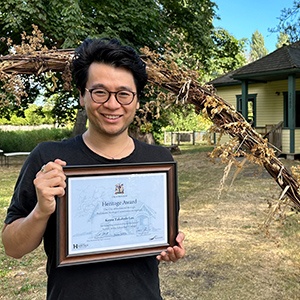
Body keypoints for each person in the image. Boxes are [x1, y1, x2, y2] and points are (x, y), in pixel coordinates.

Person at [2, 38, 185, 299]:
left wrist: (168, 248)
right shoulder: (49, 158)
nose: (112, 104)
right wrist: (42, 211)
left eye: (124, 94)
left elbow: (160, 235)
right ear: (81, 95)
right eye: (100, 92)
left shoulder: (159, 162)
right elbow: (12, 247)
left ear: (136, 100)